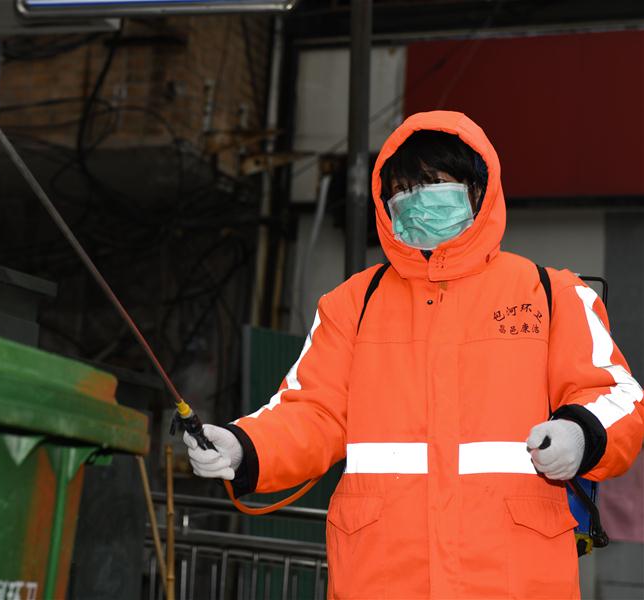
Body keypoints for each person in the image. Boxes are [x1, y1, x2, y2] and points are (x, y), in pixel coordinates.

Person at [184, 111, 644, 599]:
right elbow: (312, 412)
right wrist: (244, 444)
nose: (418, 201)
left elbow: (618, 396)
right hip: (381, 577)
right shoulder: (351, 305)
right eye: (403, 190)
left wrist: (580, 433)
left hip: (513, 579)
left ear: (478, 189)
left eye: (435, 184)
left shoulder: (552, 294)